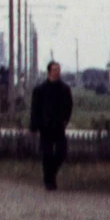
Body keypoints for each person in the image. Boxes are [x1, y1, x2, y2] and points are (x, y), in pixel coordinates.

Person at [31, 60, 75, 191]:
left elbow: (69, 106)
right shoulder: (40, 90)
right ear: (49, 72)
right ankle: (49, 181)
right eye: (55, 69)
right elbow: (35, 108)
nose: (57, 72)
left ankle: (51, 174)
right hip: (45, 126)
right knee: (47, 154)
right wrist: (34, 125)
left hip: (59, 125)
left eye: (59, 69)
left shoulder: (64, 89)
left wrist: (65, 120)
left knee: (62, 152)